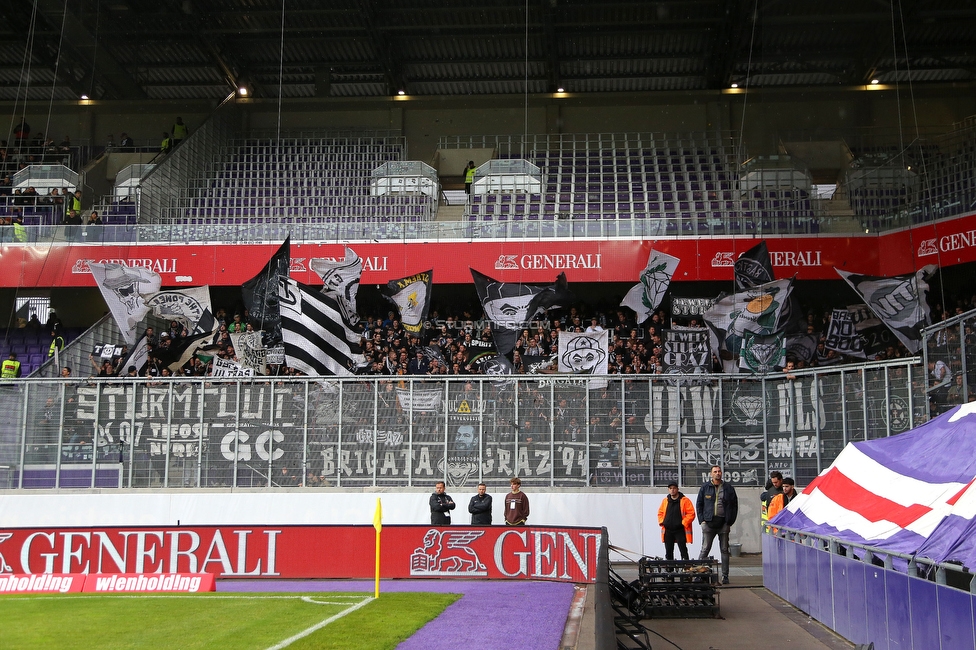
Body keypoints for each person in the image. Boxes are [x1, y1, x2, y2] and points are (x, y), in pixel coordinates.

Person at [697, 464, 738, 585]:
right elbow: (699, 504)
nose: (717, 473)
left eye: (719, 471)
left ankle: (725, 576)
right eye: (715, 471)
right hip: (708, 524)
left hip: (723, 524)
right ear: (711, 474)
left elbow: (734, 505)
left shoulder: (728, 488)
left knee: (724, 550)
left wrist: (730, 521)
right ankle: (699, 574)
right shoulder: (705, 487)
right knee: (705, 549)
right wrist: (702, 521)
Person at [658, 481, 695, 561]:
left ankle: (686, 567)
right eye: (670, 488)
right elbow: (660, 513)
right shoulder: (665, 501)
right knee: (668, 551)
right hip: (668, 530)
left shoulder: (685, 500)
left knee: (683, 550)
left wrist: (683, 523)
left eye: (674, 488)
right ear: (668, 490)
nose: (672, 490)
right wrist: (662, 522)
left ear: (677, 489)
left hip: (680, 530)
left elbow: (691, 513)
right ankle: (669, 569)